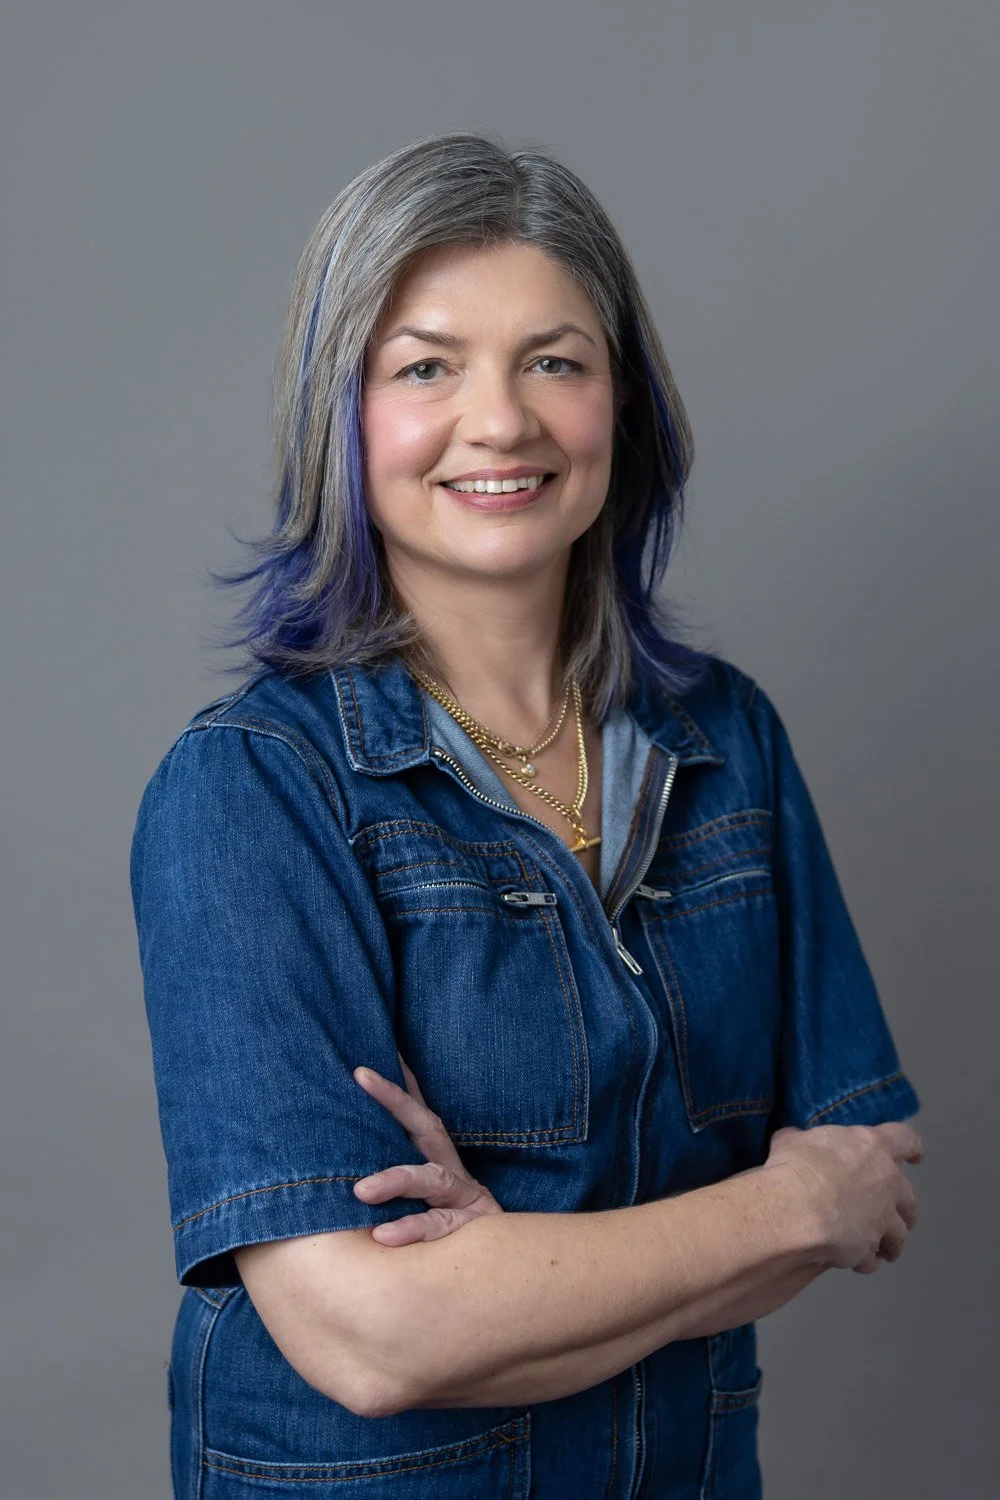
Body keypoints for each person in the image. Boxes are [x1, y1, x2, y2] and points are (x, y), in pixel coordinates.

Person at [130, 131, 924, 1499]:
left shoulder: (725, 740)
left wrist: (513, 1272)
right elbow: (375, 1338)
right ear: (342, 411)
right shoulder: (250, 792)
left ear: (625, 401)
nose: (499, 421)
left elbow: (876, 1179)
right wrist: (781, 1204)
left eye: (553, 360)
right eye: (426, 365)